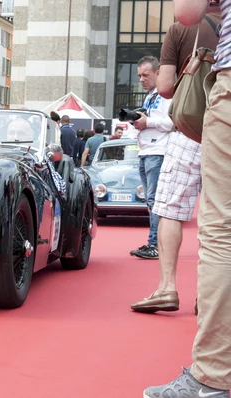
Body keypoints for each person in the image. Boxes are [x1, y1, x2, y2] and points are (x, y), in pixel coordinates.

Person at [142, 0, 231, 396]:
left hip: (194, 126)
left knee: (196, 219)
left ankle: (168, 287)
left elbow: (186, 10)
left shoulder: (181, 32)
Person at [131, 13, 219, 314]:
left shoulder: (182, 29)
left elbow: (166, 87)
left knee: (171, 209)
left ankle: (167, 288)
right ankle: (210, 295)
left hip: (190, 131)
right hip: (226, 130)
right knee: (219, 216)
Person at [129, 56, 174, 260]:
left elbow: (172, 123)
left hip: (158, 152)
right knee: (151, 201)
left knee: (156, 201)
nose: (141, 79)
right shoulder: (150, 97)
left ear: (158, 73)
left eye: (145, 75)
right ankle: (155, 243)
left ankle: (155, 244)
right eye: (139, 75)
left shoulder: (166, 95)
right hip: (146, 151)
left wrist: (148, 122)